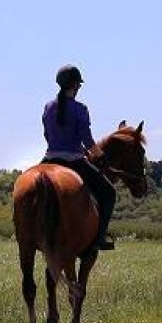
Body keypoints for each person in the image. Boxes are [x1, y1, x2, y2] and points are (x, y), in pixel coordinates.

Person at [42, 64, 119, 250]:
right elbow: (87, 140)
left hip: (49, 158)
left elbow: (47, 134)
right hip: (74, 161)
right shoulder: (80, 109)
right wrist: (100, 156)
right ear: (76, 86)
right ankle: (99, 238)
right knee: (109, 193)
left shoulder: (48, 106)